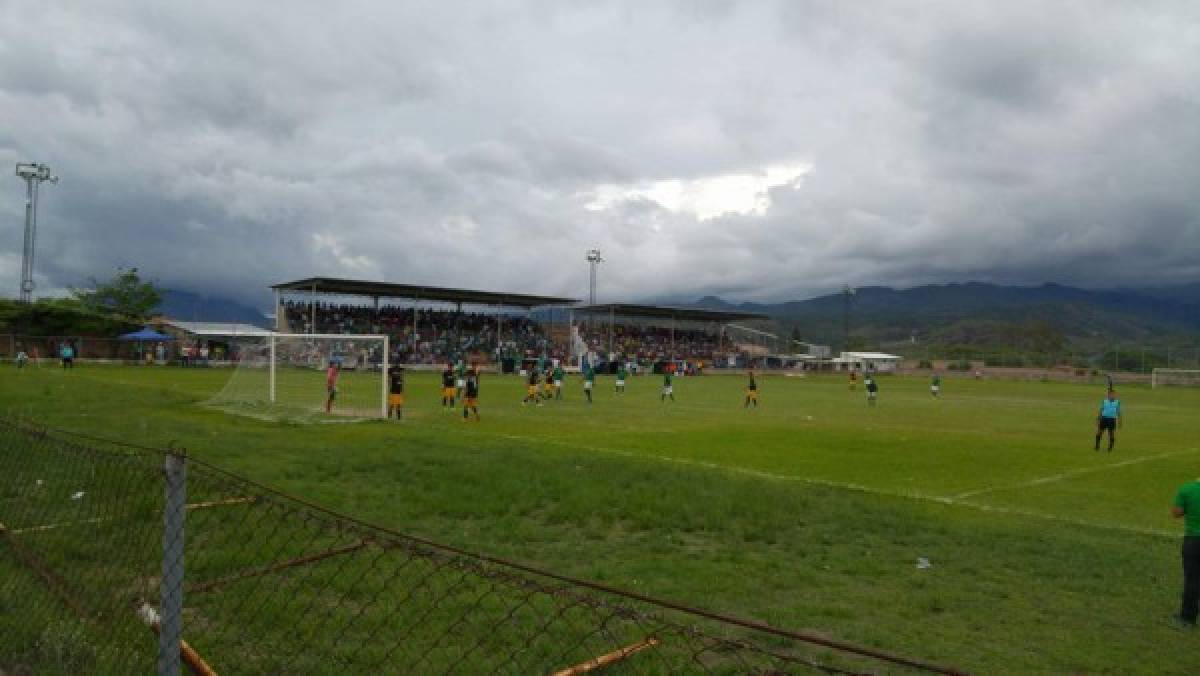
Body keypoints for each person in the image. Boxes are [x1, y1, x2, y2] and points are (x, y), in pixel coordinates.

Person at [1172, 476, 1200, 628]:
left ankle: (1188, 617)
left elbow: (1176, 513)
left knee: (1192, 580)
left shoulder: (1187, 489)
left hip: (1194, 541)